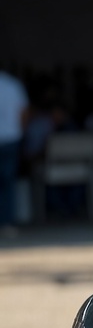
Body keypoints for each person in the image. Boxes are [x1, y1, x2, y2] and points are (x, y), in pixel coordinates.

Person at [0, 67, 27, 239]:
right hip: (11, 139)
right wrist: (21, 132)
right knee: (7, 184)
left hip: (10, 139)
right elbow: (24, 113)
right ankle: (7, 224)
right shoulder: (12, 85)